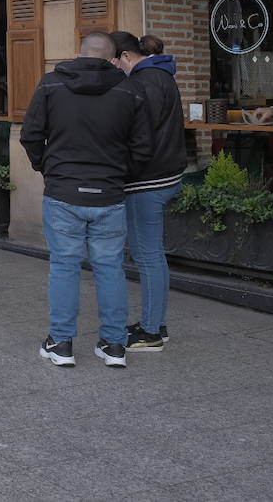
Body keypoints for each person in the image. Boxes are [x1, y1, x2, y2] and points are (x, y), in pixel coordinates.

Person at [20, 32, 152, 369]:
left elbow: (31, 135)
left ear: (78, 53)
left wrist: (47, 168)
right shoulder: (129, 90)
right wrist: (119, 175)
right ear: (112, 58)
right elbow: (142, 146)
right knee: (110, 268)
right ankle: (114, 345)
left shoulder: (51, 84)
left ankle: (61, 343)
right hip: (108, 193)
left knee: (64, 266)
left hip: (64, 190)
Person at [112, 31, 185, 351]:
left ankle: (152, 331)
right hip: (163, 175)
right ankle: (156, 322)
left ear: (126, 57)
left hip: (148, 180)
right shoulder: (160, 75)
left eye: (114, 62)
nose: (114, 68)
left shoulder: (144, 81)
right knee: (150, 255)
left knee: (148, 255)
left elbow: (138, 134)